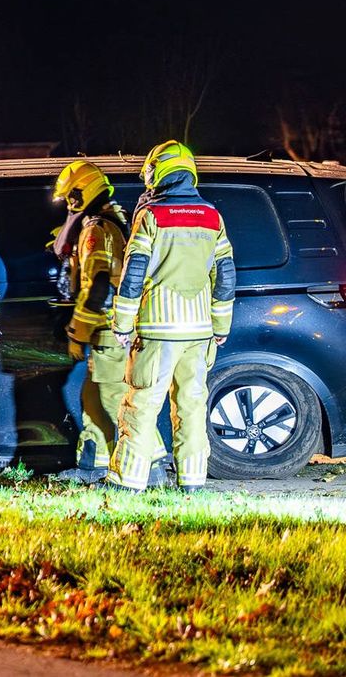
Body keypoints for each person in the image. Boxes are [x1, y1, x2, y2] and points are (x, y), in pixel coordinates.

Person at [105, 141, 236, 492]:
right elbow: (224, 275)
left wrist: (121, 324)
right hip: (199, 332)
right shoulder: (213, 217)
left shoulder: (152, 216)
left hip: (157, 329)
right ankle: (193, 482)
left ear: (158, 171)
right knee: (192, 406)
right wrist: (221, 327)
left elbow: (134, 274)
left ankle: (126, 482)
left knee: (142, 405)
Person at [50, 160, 162, 483]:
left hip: (108, 328)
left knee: (115, 397)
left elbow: (96, 284)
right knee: (92, 396)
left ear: (78, 195)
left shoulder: (95, 231)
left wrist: (77, 333)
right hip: (109, 329)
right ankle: (94, 462)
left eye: (69, 200)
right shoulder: (109, 223)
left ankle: (151, 463)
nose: (67, 208)